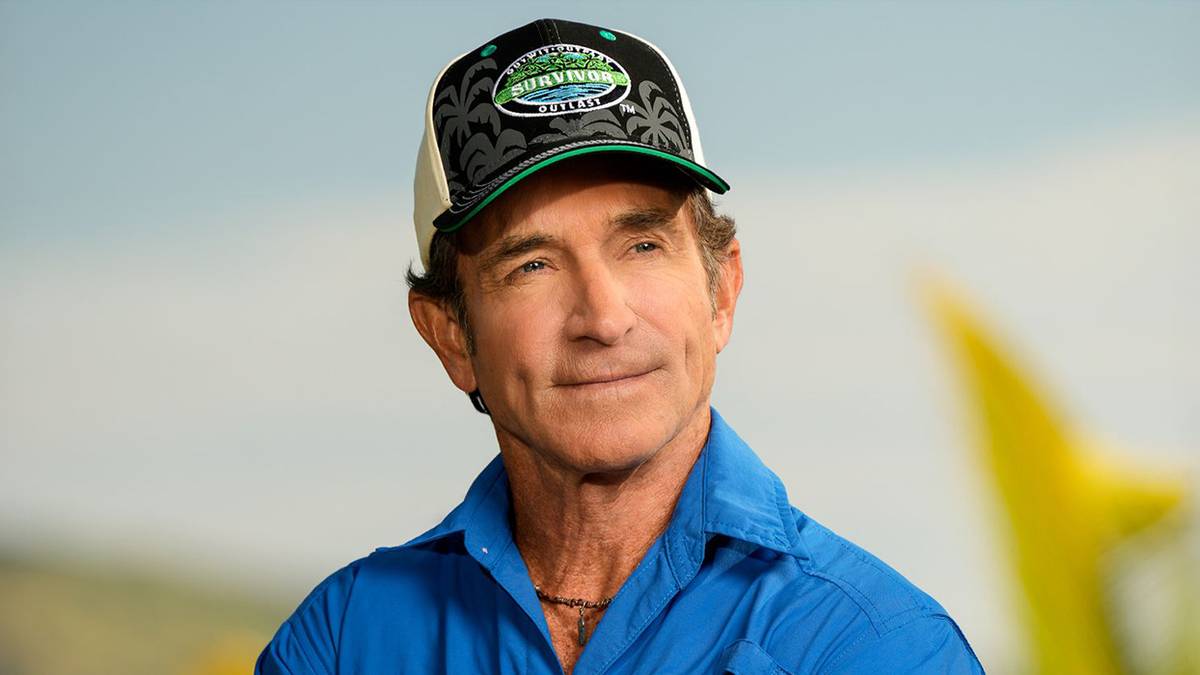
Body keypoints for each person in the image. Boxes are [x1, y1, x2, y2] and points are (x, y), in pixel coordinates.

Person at [255, 17, 984, 674]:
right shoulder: (343, 641)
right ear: (451, 335)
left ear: (721, 292)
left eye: (642, 245)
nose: (603, 319)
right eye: (532, 265)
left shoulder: (878, 647)